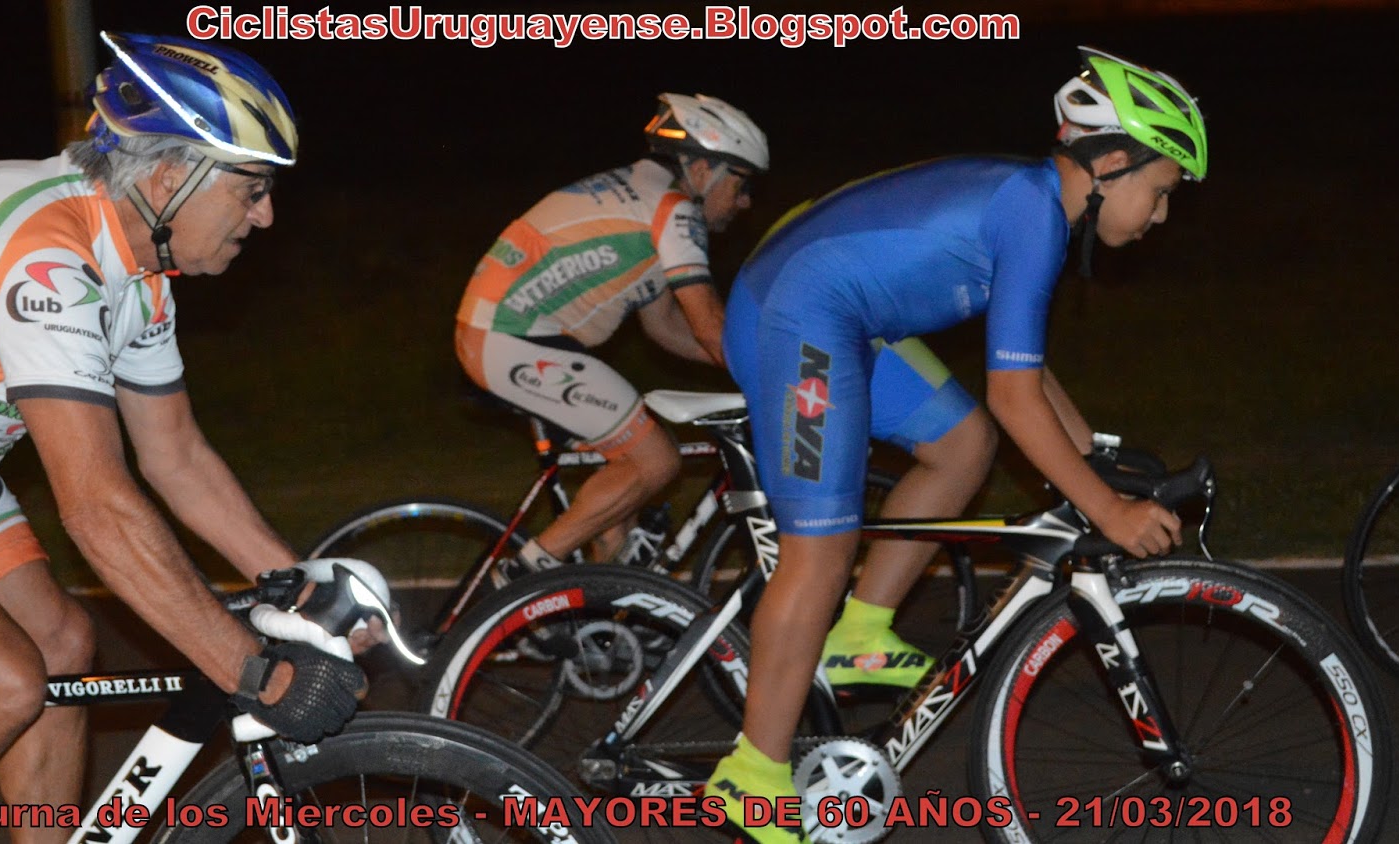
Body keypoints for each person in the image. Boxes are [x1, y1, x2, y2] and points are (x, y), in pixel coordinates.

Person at [0, 32, 367, 843]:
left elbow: (176, 457)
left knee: (63, 644)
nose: (266, 215)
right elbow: (98, 508)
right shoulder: (46, 257)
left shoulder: (135, 270)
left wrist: (301, 586)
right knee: (0, 689)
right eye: (251, 188)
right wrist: (252, 673)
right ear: (171, 177)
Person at [704, 47, 1207, 841]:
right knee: (820, 551)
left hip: (840, 312)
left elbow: (1025, 373)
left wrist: (1096, 455)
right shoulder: (1033, 214)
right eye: (1163, 190)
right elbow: (1015, 396)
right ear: (1112, 164)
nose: (1162, 215)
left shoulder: (1034, 205)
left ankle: (858, 635)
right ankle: (752, 776)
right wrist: (1107, 509)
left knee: (964, 443)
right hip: (794, 310)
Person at [455, 94, 768, 573]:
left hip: (503, 334)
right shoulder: (675, 210)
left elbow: (667, 327)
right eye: (741, 183)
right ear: (704, 170)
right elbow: (709, 325)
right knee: (656, 461)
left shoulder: (646, 196)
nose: (745, 202)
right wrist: (778, 371)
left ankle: (605, 606)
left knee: (623, 502)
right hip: (512, 338)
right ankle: (524, 576)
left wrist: (749, 362)